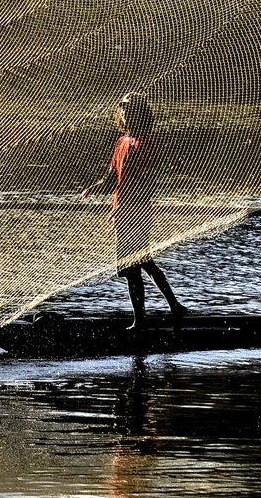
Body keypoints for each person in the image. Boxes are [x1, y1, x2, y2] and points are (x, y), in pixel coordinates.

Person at [80, 92, 189, 329]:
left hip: (136, 213)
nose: (126, 114)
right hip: (121, 212)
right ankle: (175, 307)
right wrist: (93, 188)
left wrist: (134, 210)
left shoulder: (145, 143)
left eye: (131, 110)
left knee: (132, 266)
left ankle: (141, 321)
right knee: (141, 262)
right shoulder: (122, 142)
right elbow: (111, 178)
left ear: (141, 114)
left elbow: (148, 182)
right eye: (123, 110)